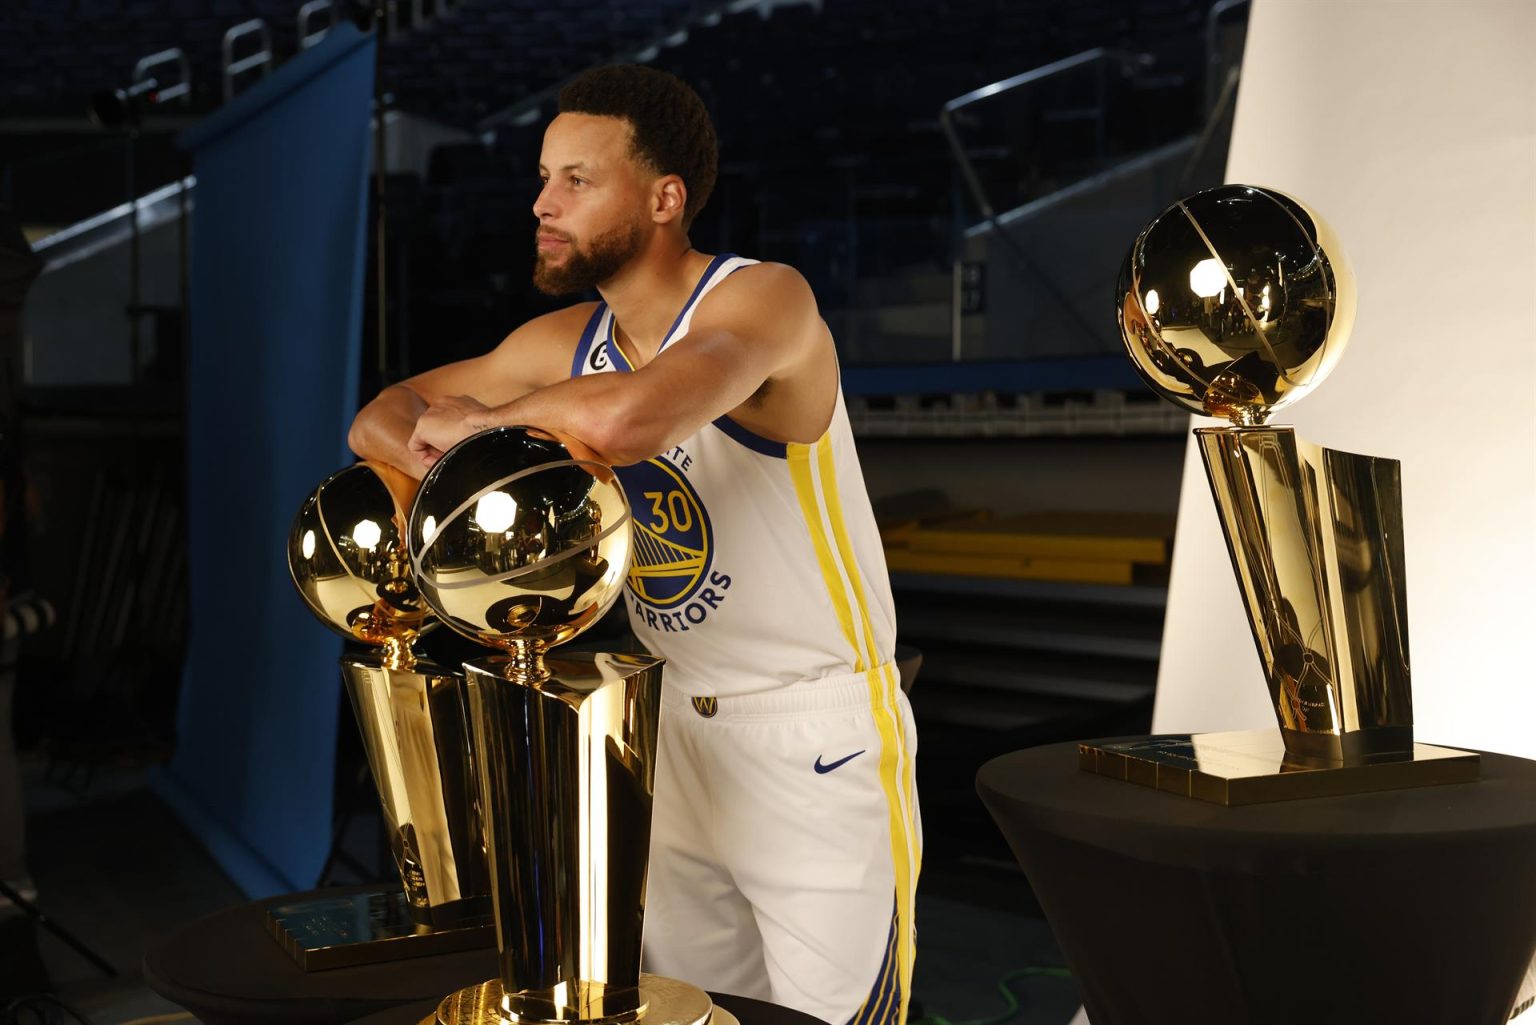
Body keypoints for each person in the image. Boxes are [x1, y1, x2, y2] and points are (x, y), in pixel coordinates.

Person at [348, 64, 918, 1025]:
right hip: (663, 724)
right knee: (686, 1012)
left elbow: (633, 419)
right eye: (543, 178)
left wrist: (483, 424)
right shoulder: (569, 339)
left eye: (577, 180)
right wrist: (441, 437)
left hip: (810, 728)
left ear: (665, 198)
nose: (542, 202)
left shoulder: (765, 301)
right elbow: (381, 416)